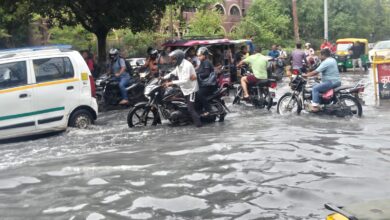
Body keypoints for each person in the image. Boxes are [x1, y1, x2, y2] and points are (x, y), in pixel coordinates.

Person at [164, 49, 202, 127]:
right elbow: (173, 73)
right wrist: (163, 78)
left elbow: (185, 80)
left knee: (191, 109)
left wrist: (171, 83)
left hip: (191, 89)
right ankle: (183, 120)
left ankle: (199, 126)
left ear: (179, 58)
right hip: (184, 89)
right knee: (180, 104)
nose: (173, 61)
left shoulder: (186, 66)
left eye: (174, 59)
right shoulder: (179, 65)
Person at [196, 47, 217, 116]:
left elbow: (206, 73)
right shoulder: (202, 62)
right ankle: (199, 110)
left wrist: (197, 75)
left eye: (200, 56)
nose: (198, 57)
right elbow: (198, 70)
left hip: (209, 85)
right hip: (204, 84)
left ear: (204, 55)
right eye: (198, 56)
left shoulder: (206, 62)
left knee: (199, 93)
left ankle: (209, 109)